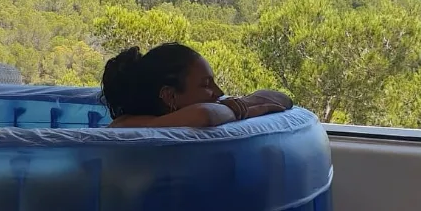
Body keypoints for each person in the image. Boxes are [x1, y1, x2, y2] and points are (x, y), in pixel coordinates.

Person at [102, 42, 293, 128]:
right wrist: (242, 112)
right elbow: (205, 115)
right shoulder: (126, 126)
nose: (219, 92)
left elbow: (282, 98)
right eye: (206, 84)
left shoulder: (175, 119)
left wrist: (243, 103)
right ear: (170, 96)